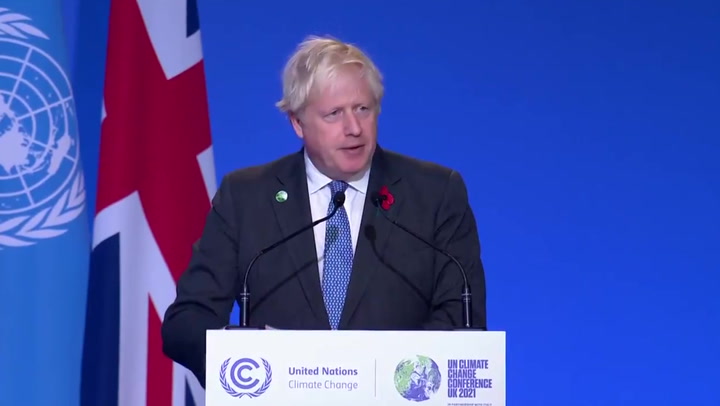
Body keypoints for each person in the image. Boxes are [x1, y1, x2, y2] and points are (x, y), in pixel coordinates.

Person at [161, 35, 487, 387]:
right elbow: (187, 322)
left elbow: (461, 319)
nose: (354, 128)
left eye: (363, 109)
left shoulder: (435, 194)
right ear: (297, 123)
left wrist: (374, 379)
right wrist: (250, 358)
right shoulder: (246, 197)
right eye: (334, 114)